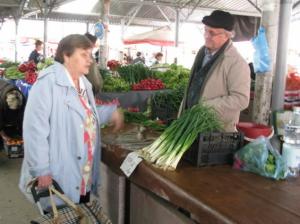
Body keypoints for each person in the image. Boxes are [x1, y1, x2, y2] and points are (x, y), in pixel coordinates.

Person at [19, 34, 124, 208]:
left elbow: (84, 114)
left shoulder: (83, 83)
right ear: (66, 56)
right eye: (84, 54)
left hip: (82, 170)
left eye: (90, 54)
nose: (90, 60)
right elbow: (34, 130)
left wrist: (109, 114)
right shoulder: (48, 83)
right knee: (62, 214)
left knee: (79, 212)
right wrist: (41, 170)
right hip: (57, 172)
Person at [180, 10, 250, 132]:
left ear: (227, 35)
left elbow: (241, 99)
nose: (206, 35)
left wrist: (206, 107)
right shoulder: (203, 52)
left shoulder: (236, 62)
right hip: (191, 123)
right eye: (206, 30)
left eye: (212, 33)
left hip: (214, 130)